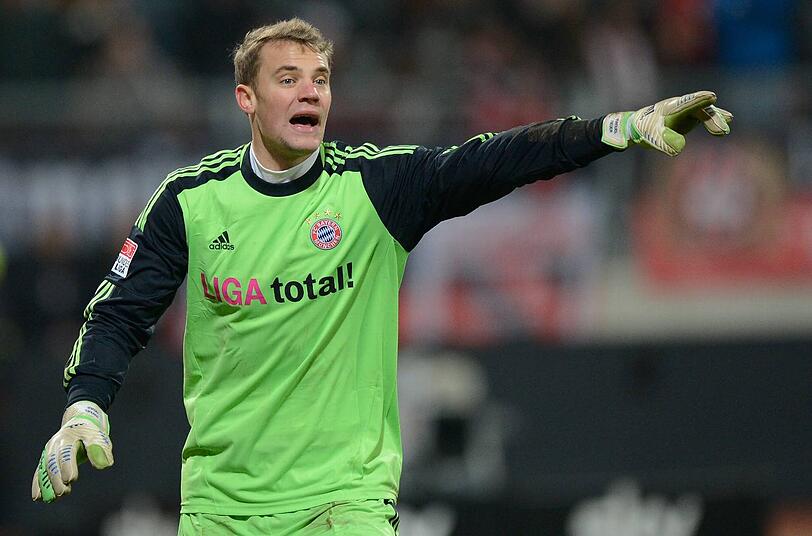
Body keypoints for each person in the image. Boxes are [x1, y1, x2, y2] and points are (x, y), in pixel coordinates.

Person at [31, 18, 733, 535]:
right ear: (246, 98)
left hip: (347, 502)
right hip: (222, 508)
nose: (311, 92)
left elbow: (495, 160)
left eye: (321, 79)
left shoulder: (374, 189)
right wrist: (84, 406)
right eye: (288, 79)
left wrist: (618, 128)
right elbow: (119, 312)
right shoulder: (190, 201)